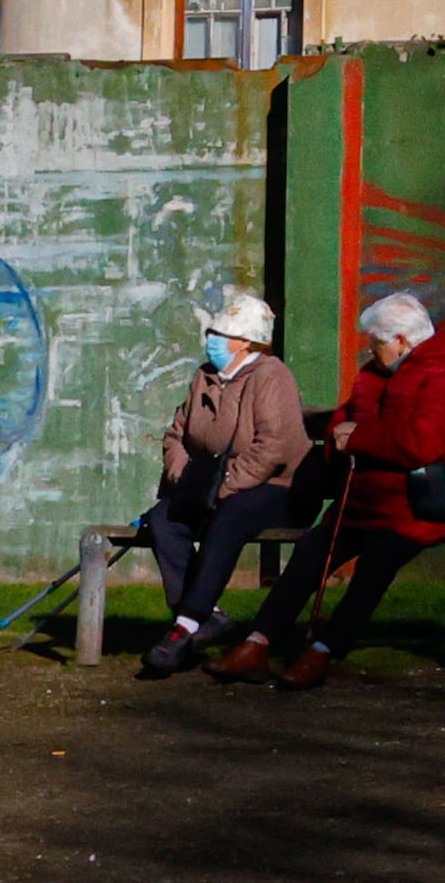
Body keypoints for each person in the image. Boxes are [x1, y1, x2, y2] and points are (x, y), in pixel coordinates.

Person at [213, 287, 445, 690]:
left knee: (377, 561)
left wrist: (357, 439)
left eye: (376, 344)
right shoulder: (376, 372)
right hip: (365, 500)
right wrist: (342, 432)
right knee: (311, 552)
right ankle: (257, 642)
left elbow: (420, 444)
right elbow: (347, 416)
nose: (371, 352)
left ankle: (323, 651)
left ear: (402, 341)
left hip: (421, 505)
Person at [132, 289, 308, 677]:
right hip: (212, 486)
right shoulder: (204, 378)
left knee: (228, 516)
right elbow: (177, 434)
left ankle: (184, 626)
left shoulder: (271, 375)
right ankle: (206, 615)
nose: (210, 339)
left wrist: (224, 486)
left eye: (219, 332)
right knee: (163, 518)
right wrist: (182, 478)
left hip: (277, 488)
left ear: (245, 341)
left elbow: (274, 446)